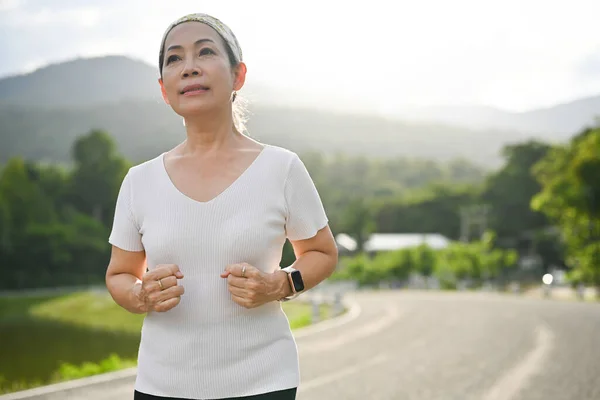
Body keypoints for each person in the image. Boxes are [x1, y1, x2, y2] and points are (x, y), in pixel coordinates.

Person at [105, 12, 339, 400]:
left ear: (238, 75)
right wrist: (139, 295)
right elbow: (120, 275)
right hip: (161, 387)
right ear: (164, 89)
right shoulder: (138, 181)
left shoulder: (281, 168)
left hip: (263, 382)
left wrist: (282, 283)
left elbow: (321, 252)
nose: (190, 67)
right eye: (174, 58)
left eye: (206, 52)